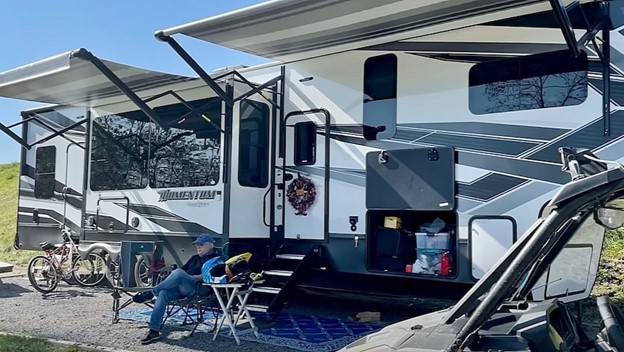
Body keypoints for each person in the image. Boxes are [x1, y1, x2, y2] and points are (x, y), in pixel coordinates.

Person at [133, 234, 218, 344]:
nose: (198, 247)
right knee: (163, 293)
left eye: (201, 245)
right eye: (196, 245)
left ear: (210, 245)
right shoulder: (194, 258)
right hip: (182, 287)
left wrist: (193, 277)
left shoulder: (216, 259)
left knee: (177, 273)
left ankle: (151, 293)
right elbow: (181, 272)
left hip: (198, 288)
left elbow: (214, 276)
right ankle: (153, 331)